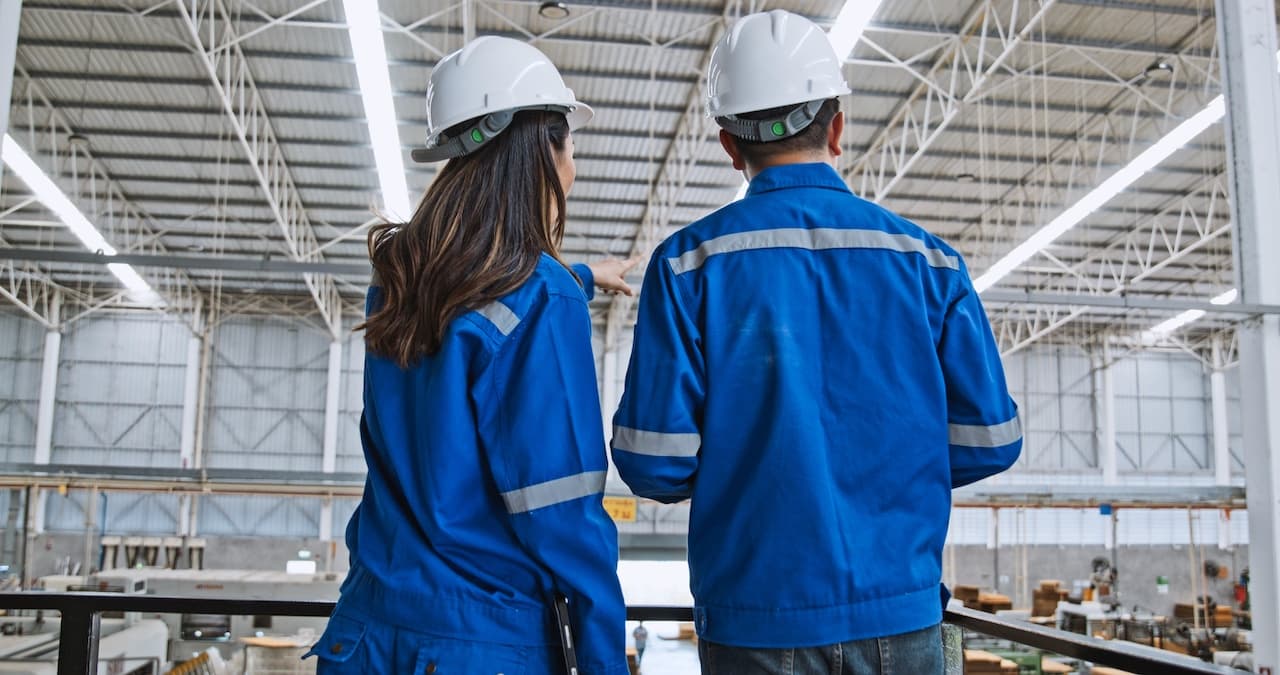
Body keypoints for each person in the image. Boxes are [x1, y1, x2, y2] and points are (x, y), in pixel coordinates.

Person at [610, 10, 1022, 675]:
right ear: (837, 127)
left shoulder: (687, 265)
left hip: (755, 618)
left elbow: (653, 464)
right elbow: (990, 442)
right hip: (901, 613)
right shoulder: (930, 262)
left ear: (727, 144)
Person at [306, 36, 629, 675]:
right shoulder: (542, 299)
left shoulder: (399, 276)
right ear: (542, 148)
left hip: (365, 635)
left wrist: (583, 276)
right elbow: (560, 509)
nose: (573, 170)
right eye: (569, 147)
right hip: (477, 643)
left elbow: (472, 312)